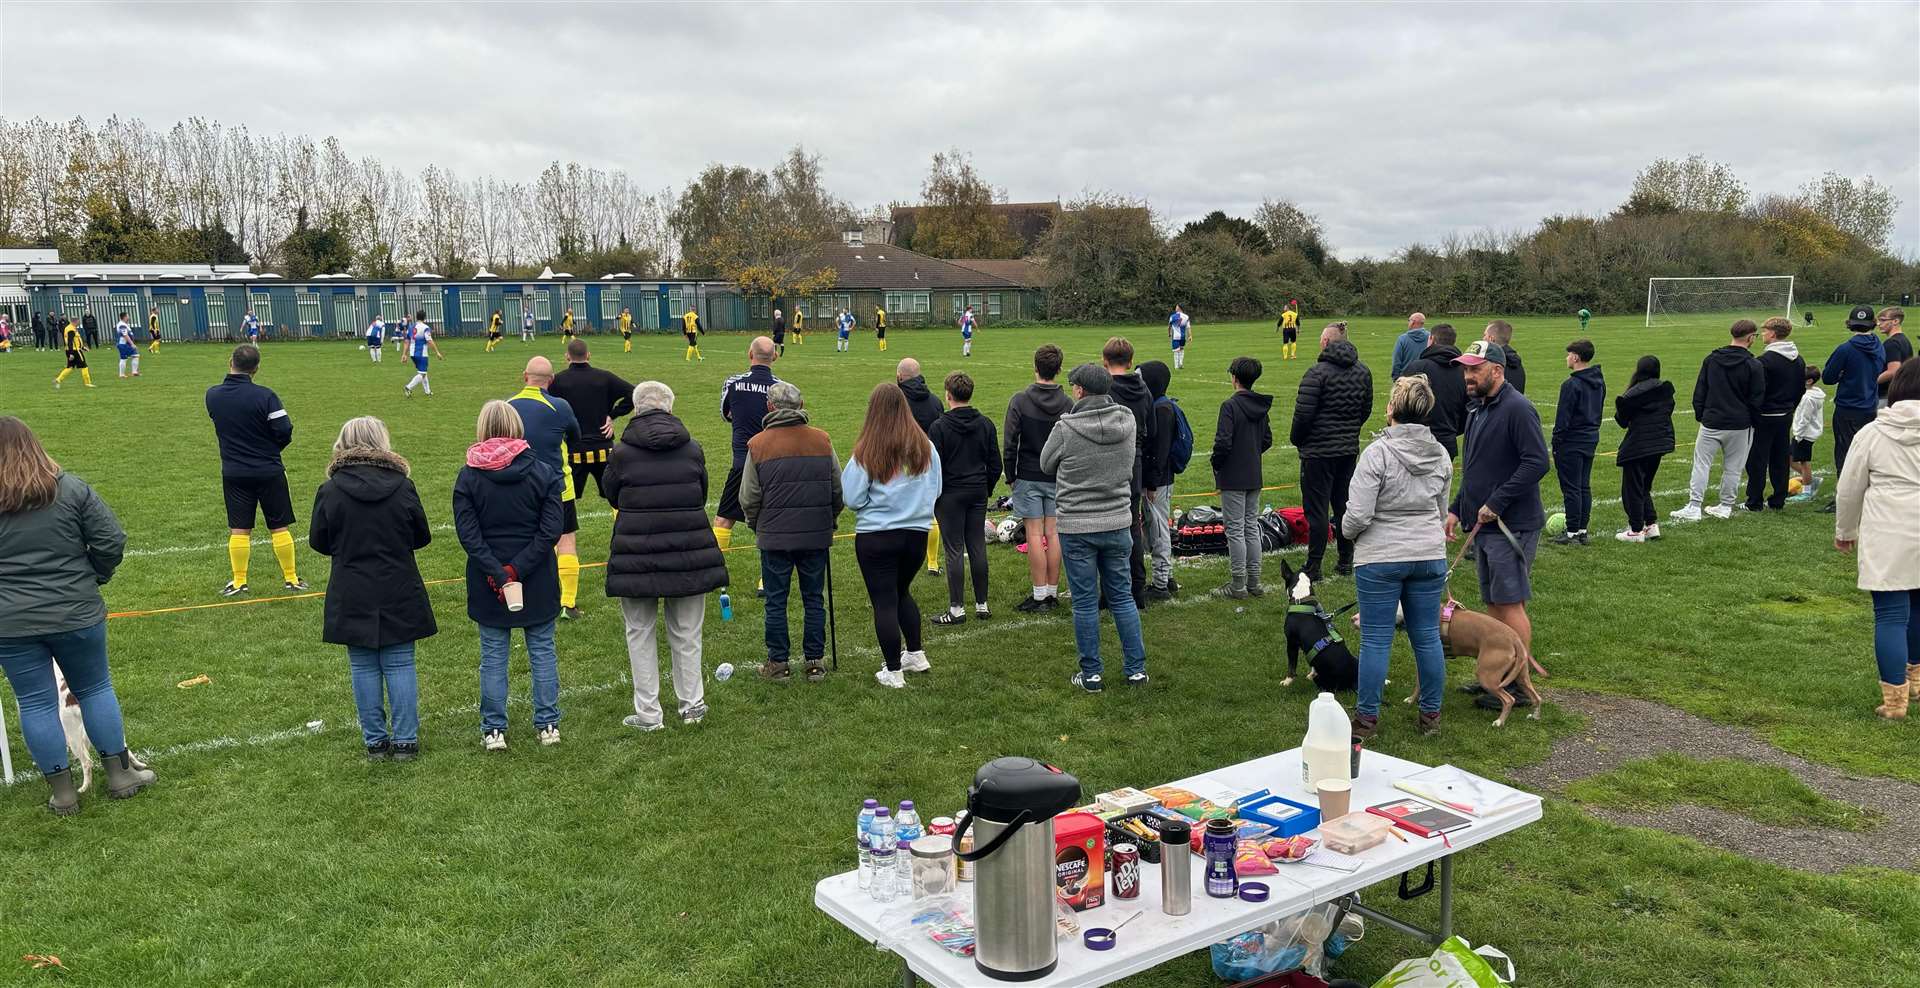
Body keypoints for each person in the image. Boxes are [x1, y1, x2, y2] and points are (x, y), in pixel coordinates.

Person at [0, 416, 152, 815]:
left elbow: (110, 542)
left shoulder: (68, 488)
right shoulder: (70, 489)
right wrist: (92, 578)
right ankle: (119, 776)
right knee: (95, 688)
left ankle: (64, 792)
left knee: (35, 703)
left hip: (11, 622)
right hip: (74, 613)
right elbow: (110, 541)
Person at [308, 416, 435, 761]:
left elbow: (319, 540)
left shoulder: (331, 490)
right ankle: (403, 740)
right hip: (397, 581)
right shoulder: (400, 486)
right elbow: (420, 535)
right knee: (398, 662)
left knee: (366, 665)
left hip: (353, 584)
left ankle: (377, 741)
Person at [604, 381, 728, 730]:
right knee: (687, 632)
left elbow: (610, 493)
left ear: (637, 409)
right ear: (669, 408)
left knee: (639, 632)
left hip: (637, 552)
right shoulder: (692, 449)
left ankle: (649, 714)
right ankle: (692, 704)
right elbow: (701, 494)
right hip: (687, 550)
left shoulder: (622, 453)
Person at [1343, 375, 1452, 738]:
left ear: (1391, 409)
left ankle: (1367, 719)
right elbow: (1440, 510)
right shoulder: (1440, 454)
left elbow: (1357, 514)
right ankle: (1431, 715)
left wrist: (1347, 532)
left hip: (1381, 555)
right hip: (1427, 552)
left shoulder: (1377, 453)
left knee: (1375, 638)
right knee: (1427, 637)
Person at [454, 400, 564, 750]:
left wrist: (502, 572)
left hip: (494, 576)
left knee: (494, 655)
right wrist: (512, 571)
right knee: (542, 650)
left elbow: (469, 535)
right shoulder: (544, 471)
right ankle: (547, 724)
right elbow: (550, 532)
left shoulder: (470, 475)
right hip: (534, 574)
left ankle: (494, 729)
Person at [1043, 364, 1147, 692]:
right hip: (1118, 521)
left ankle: (1091, 674)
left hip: (1078, 525)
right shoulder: (1127, 421)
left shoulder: (1066, 428)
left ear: (1081, 391)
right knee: (1122, 597)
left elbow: (1046, 463)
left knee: (1086, 602)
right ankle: (1136, 669)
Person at [1448, 340, 1549, 653]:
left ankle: (1518, 683)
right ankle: (1498, 671)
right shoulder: (1478, 408)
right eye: (1466, 368)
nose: (1468, 375)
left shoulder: (1517, 408)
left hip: (1512, 524)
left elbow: (1537, 462)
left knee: (1510, 603)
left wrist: (1497, 501)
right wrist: (1456, 509)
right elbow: (1477, 469)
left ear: (1497, 370)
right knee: (1493, 601)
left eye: (1475, 369)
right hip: (1487, 525)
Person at [1834, 360, 1920, 719]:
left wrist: (1845, 531)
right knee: (1917, 607)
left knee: (1890, 615)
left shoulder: (1872, 433)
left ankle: (1895, 701)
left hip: (1889, 526)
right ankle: (1914, 681)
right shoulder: (1872, 431)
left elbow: (1850, 489)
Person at [741, 382, 843, 682]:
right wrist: (830, 519)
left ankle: (778, 662)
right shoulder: (822, 441)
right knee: (814, 598)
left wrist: (755, 524)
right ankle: (814, 662)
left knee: (776, 599)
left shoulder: (758, 444)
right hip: (814, 534)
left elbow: (748, 497)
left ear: (770, 407)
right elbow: (837, 490)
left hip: (774, 535)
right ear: (801, 405)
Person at [842, 383, 941, 688]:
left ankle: (894, 670)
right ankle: (915, 653)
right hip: (915, 535)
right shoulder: (925, 446)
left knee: (884, 600)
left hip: (877, 536)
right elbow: (936, 489)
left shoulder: (867, 451)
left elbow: (852, 497)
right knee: (901, 593)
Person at [206, 344, 304, 596]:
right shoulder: (266, 396)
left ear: (230, 362)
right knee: (279, 526)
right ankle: (291, 579)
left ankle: (239, 581)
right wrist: (271, 449)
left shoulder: (213, 395)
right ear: (256, 369)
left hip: (234, 471)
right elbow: (284, 430)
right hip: (268, 468)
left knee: (239, 529)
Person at [1290, 322, 1374, 579]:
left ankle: (1314, 565)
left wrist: (1299, 440)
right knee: (1343, 505)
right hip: (1346, 449)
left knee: (1316, 510)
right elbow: (1365, 410)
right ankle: (1346, 559)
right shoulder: (1363, 372)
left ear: (1326, 342)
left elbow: (1303, 415)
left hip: (1318, 452)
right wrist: (1348, 431)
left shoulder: (1316, 374)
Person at [508, 356, 586, 619]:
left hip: (519, 490)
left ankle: (527, 598)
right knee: (566, 541)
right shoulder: (560, 407)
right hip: (558, 487)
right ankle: (568, 603)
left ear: (524, 376)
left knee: (527, 543)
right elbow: (576, 438)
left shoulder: (507, 407)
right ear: (551, 381)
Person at [927, 371, 1002, 624]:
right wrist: (986, 488)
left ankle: (957, 609)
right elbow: (995, 464)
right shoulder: (986, 424)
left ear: (948, 395)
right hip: (976, 491)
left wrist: (935, 495)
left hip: (950, 494)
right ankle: (982, 604)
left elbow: (932, 467)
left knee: (954, 549)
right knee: (977, 546)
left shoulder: (938, 427)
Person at [1671, 319, 1763, 522]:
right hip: (1739, 424)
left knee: (1701, 464)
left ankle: (1694, 505)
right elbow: (1757, 398)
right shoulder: (1753, 364)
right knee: (1733, 467)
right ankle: (1725, 505)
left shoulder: (1712, 360)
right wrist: (1753, 421)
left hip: (1713, 421)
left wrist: (1701, 415)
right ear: (1750, 338)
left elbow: (1700, 390)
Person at [1004, 344, 1071, 612]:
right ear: (1058, 370)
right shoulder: (1068, 404)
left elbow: (1010, 442)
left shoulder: (1020, 401)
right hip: (1057, 476)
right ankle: (1051, 592)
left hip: (1029, 475)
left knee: (1034, 533)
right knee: (1053, 533)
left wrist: (1010, 475)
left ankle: (1041, 594)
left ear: (1035, 368)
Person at [714, 337, 781, 589]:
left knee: (723, 519)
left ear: (749, 354)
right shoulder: (781, 388)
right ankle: (767, 580)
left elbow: (726, 414)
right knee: (768, 524)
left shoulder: (733, 384)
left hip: (743, 462)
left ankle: (715, 574)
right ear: (774, 356)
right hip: (772, 465)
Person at [1211, 356, 1275, 597]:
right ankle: (1254, 582)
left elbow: (1223, 442)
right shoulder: (1259, 405)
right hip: (1252, 473)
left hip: (1234, 475)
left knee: (1236, 530)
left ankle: (1238, 584)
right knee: (1250, 527)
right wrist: (1250, 453)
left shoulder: (1230, 406)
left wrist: (1217, 464)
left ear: (1234, 378)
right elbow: (1266, 440)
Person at [547, 339, 636, 509]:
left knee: (566, 500)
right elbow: (634, 393)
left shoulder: (557, 381)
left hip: (574, 450)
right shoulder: (605, 377)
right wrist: (612, 415)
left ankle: (566, 534)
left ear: (567, 356)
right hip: (603, 448)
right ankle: (623, 529)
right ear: (588, 355)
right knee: (616, 497)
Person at [1821, 305, 1888, 512]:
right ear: (1873, 325)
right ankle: (1867, 493)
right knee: (1866, 453)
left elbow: (1828, 377)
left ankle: (1845, 499)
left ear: (1850, 324)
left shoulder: (1846, 348)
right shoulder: (1879, 345)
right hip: (1870, 405)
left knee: (1845, 453)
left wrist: (1844, 374)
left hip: (1849, 407)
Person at [1612, 355, 1675, 543]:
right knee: (1644, 485)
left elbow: (1621, 420)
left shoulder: (1632, 394)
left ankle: (1636, 530)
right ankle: (1651, 524)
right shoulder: (1665, 390)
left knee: (1631, 488)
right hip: (1660, 442)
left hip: (1639, 444)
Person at [1746, 317, 1806, 512]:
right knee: (1780, 458)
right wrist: (1790, 406)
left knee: (1757, 459)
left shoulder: (1764, 361)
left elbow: (1757, 391)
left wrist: (1754, 411)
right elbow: (1800, 389)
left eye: (1764, 331)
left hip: (1765, 415)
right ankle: (1778, 499)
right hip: (1785, 414)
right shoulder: (1798, 358)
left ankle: (1754, 501)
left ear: (1772, 333)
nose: (1762, 334)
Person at [1550, 339, 1603, 545]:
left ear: (1576, 357)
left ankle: (1572, 532)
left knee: (1571, 487)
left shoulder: (1571, 384)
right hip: (1590, 438)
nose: (1566, 358)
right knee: (1583, 486)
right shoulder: (1599, 381)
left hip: (1571, 441)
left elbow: (1563, 418)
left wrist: (1556, 442)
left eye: (1568, 354)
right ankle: (1582, 530)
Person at [1138, 360, 1183, 601]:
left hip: (1159, 481)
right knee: (1155, 527)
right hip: (1157, 479)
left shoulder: (1162, 411)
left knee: (1158, 530)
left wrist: (1152, 483)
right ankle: (1167, 577)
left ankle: (1160, 584)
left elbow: (1160, 452)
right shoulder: (1158, 406)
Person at [897, 357, 945, 573]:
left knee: (900, 512)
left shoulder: (896, 402)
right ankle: (932, 561)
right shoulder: (935, 401)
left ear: (899, 377)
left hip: (902, 461)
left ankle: (902, 557)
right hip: (930, 460)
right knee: (929, 511)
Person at [1399, 323, 1466, 457]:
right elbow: (1468, 410)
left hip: (1416, 441)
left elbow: (1400, 404)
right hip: (1446, 441)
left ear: (1431, 339)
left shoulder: (1417, 367)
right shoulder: (1464, 371)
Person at [1790, 364, 1826, 502]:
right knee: (1790, 459)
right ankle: (1810, 479)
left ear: (1809, 381)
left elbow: (1805, 418)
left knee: (1803, 461)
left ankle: (1806, 492)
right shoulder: (1808, 394)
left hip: (1804, 435)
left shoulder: (1808, 398)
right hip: (1801, 433)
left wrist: (1798, 434)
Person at [402, 311, 445, 398]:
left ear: (416, 317)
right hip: (421, 353)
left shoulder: (411, 327)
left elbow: (407, 341)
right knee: (422, 373)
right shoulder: (425, 327)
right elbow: (429, 340)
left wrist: (404, 354)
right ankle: (408, 387)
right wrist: (437, 352)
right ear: (424, 318)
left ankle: (428, 391)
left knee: (423, 372)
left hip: (412, 353)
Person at [1877, 306, 1910, 408]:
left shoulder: (1891, 343)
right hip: (1899, 393)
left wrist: (1870, 381)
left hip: (1886, 396)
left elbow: (1893, 371)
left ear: (1895, 321)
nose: (1878, 324)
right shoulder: (1904, 340)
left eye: (1883, 320)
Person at [1483, 320, 1526, 393]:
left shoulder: (1491, 364)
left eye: (1485, 335)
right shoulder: (1517, 364)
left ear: (1491, 339)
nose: (1483, 338)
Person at [53, 316, 92, 390]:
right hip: (75, 351)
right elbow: (70, 342)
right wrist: (71, 353)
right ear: (75, 321)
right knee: (84, 366)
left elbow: (75, 340)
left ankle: (58, 380)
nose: (79, 322)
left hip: (71, 350)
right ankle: (87, 383)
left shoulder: (70, 328)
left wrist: (83, 347)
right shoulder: (71, 329)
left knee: (70, 367)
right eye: (78, 321)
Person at [1390, 311, 1428, 379]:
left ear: (1412, 322)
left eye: (1409, 320)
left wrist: (1395, 378)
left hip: (1406, 380)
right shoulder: (1430, 337)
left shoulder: (1402, 339)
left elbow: (1396, 362)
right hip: (1425, 379)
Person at [113, 312, 140, 379]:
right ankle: (122, 374)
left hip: (126, 344)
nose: (129, 317)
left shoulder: (124, 324)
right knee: (124, 358)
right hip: (123, 344)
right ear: (125, 317)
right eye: (128, 316)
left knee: (135, 355)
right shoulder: (121, 325)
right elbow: (125, 335)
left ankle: (134, 372)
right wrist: (132, 344)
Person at [1168, 304, 1191, 370]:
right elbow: (1188, 327)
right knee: (1181, 349)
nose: (1175, 308)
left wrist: (1169, 333)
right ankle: (1180, 363)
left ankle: (1176, 366)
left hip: (1175, 336)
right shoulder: (1186, 317)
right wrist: (1190, 336)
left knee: (1176, 351)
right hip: (1183, 337)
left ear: (1179, 308)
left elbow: (1169, 326)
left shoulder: (1172, 316)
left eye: (1176, 307)